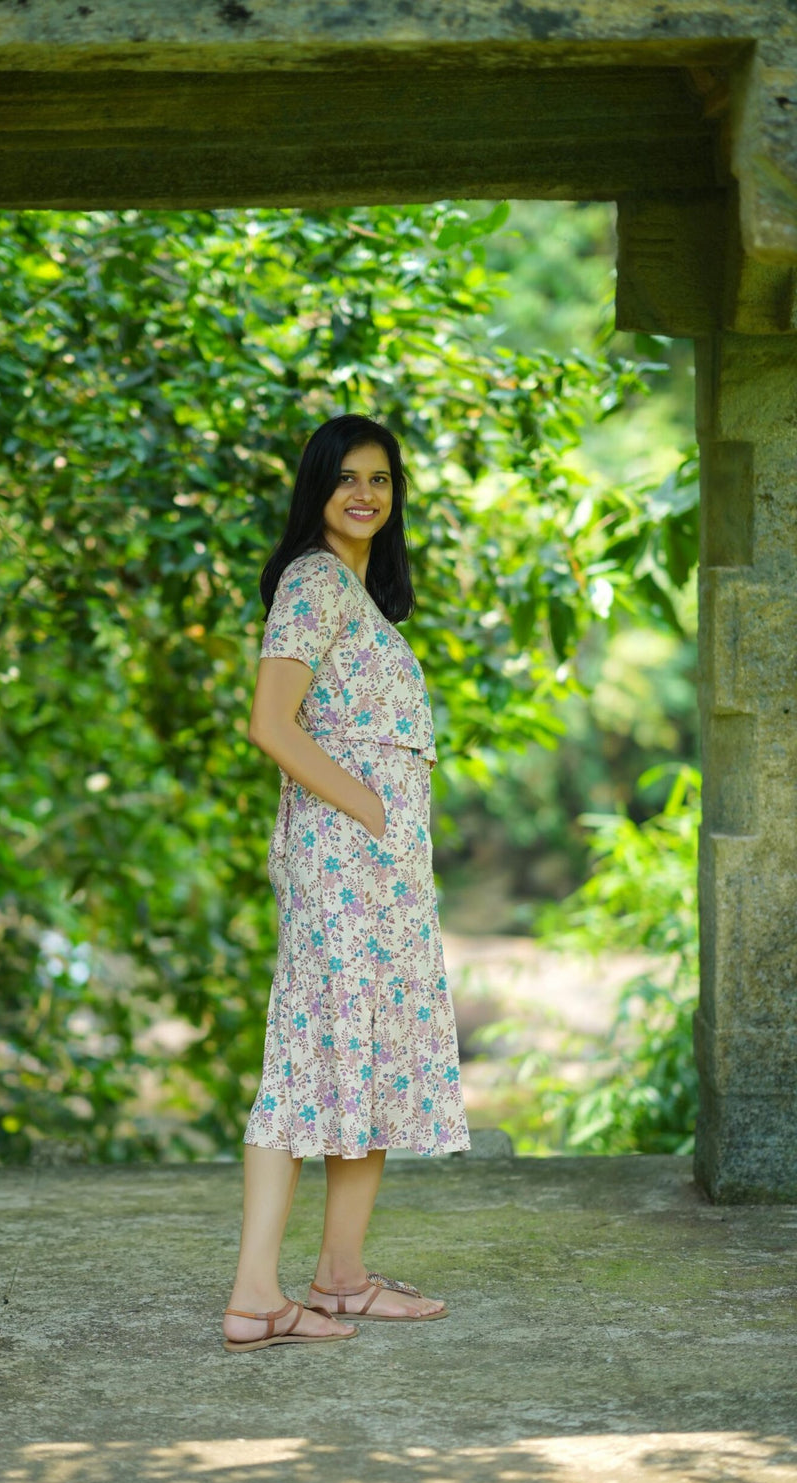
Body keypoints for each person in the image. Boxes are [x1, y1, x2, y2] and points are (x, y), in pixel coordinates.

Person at [222, 414, 471, 1354]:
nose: (364, 494)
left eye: (380, 478)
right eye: (345, 479)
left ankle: (341, 1277)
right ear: (316, 490)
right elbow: (271, 725)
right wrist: (369, 808)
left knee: (360, 1054)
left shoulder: (361, 598)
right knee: (304, 1059)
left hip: (381, 866)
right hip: (343, 858)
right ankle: (254, 1298)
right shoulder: (312, 584)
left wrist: (391, 829)